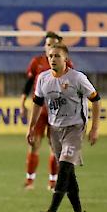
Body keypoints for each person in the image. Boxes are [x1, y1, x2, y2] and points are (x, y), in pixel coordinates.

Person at [27, 43, 100, 212]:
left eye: (57, 56)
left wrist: (95, 128)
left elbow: (96, 100)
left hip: (75, 128)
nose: (53, 59)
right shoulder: (43, 79)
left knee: (65, 168)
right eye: (51, 56)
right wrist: (32, 127)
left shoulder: (77, 78)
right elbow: (37, 103)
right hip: (55, 130)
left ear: (65, 59)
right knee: (68, 173)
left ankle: (52, 211)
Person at [21, 31, 73, 191]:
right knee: (34, 144)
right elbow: (29, 83)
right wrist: (22, 102)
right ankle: (30, 180)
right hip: (40, 110)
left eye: (54, 44)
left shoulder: (67, 64)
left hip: (58, 111)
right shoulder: (37, 62)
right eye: (48, 44)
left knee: (54, 147)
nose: (50, 47)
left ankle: (53, 181)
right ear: (44, 46)